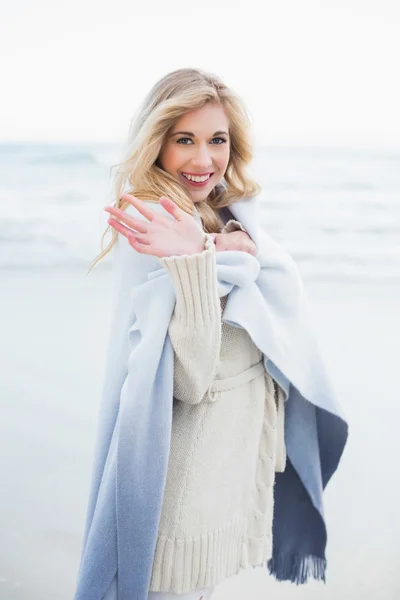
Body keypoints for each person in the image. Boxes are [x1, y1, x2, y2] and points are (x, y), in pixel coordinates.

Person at [76, 68, 348, 600]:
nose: (204, 160)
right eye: (185, 140)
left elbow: (274, 305)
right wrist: (198, 260)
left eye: (216, 140)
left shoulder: (228, 212)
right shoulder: (151, 224)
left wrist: (227, 247)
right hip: (179, 498)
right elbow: (189, 378)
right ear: (157, 144)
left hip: (222, 477)